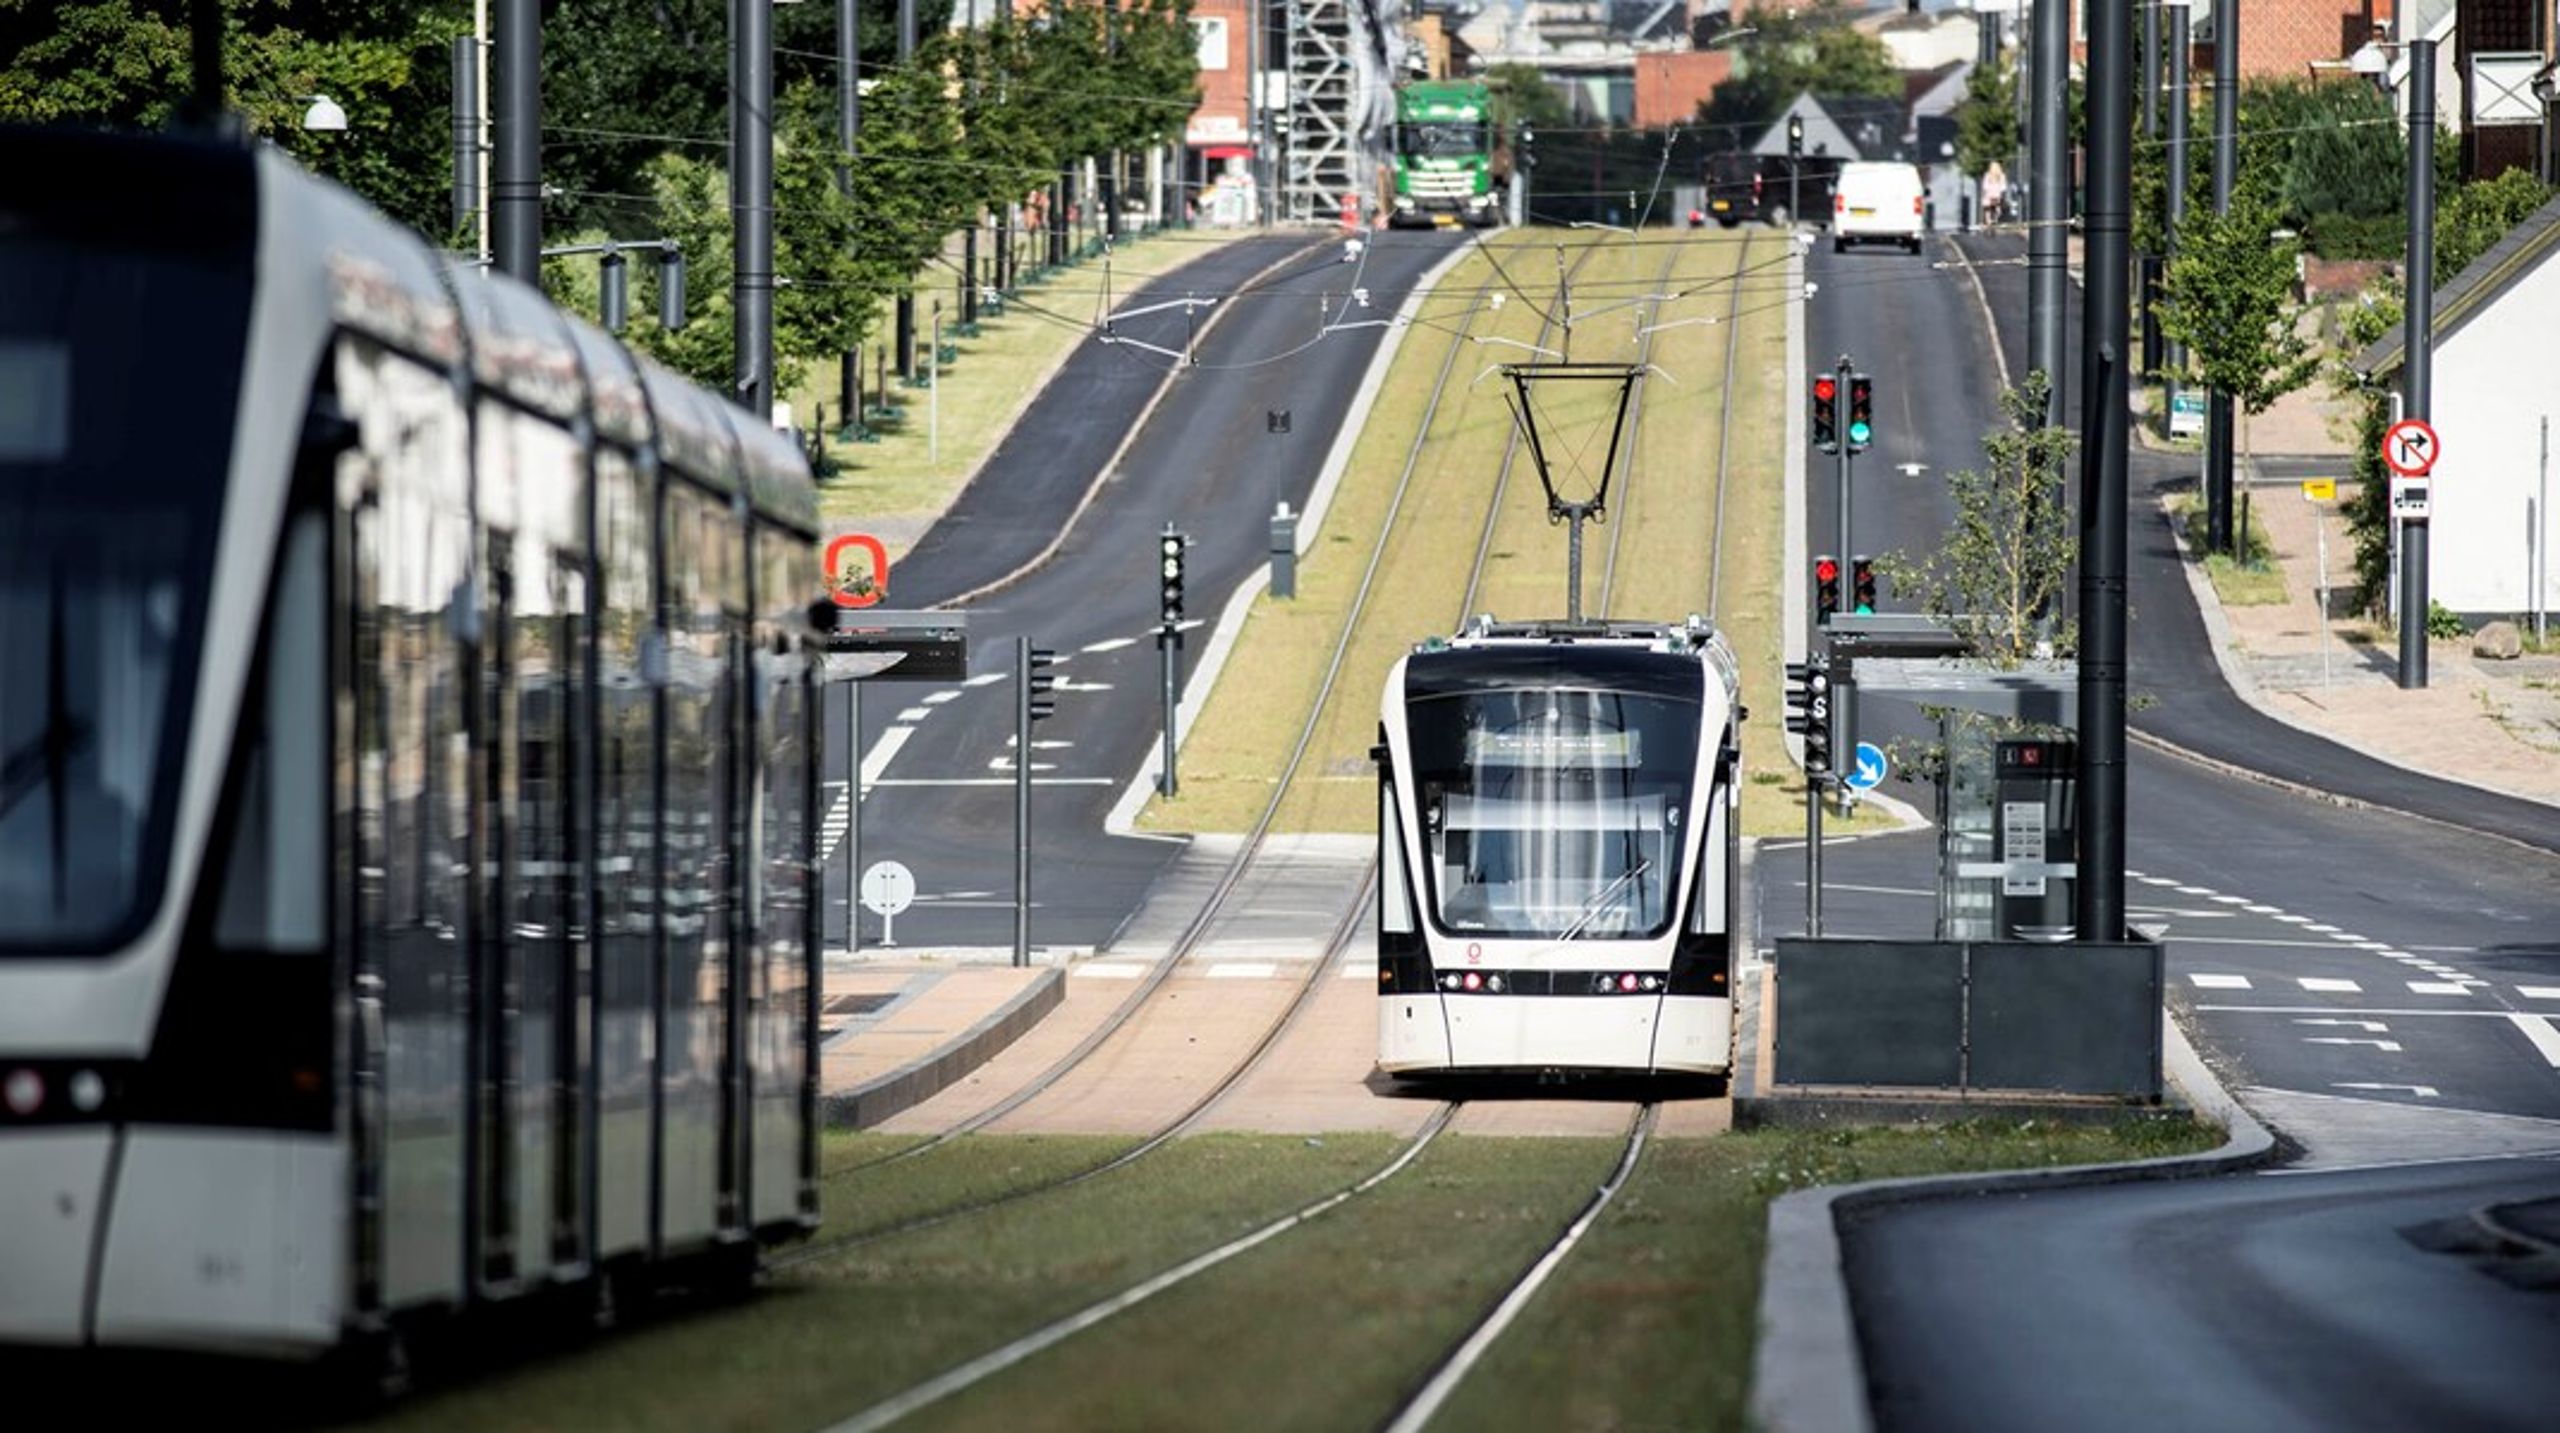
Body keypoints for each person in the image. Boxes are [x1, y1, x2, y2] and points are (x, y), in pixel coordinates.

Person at [1980, 160, 2008, 227]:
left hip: (1989, 195)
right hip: (1997, 195)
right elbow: (2003, 187)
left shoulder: (1987, 175)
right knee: (1997, 206)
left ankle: (1988, 220)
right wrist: (2000, 192)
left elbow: (1985, 186)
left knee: (1987, 209)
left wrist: (1988, 192)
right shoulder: (2002, 175)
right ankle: (1995, 218)